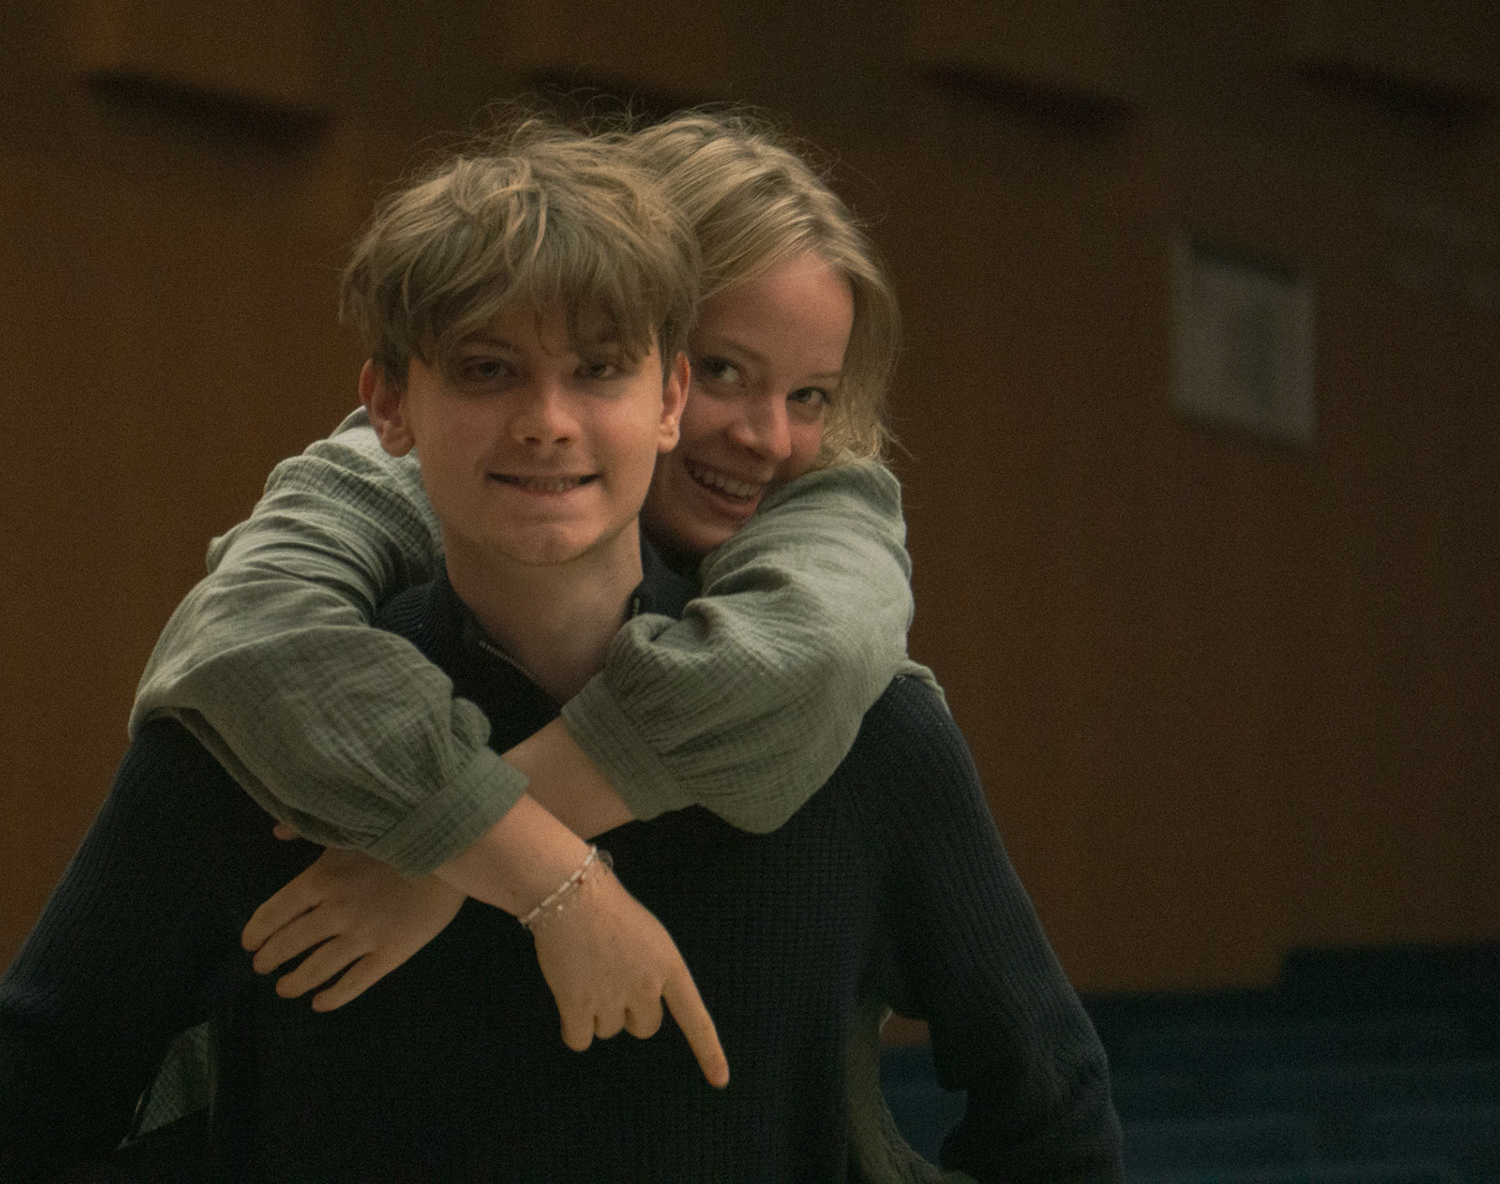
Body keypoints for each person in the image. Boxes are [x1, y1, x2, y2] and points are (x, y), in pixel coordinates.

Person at [181, 112, 1124, 1180]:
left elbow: (1055, 1109)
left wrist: (440, 853)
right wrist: (527, 862)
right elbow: (243, 628)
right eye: (723, 368)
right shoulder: (413, 478)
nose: (767, 436)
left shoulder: (845, 596)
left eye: (811, 396)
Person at [0, 120, 731, 1181]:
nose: (547, 421)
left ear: (671, 398)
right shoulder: (262, 737)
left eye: (598, 370)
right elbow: (33, 1082)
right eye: (487, 369)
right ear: (388, 404)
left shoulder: (860, 730)